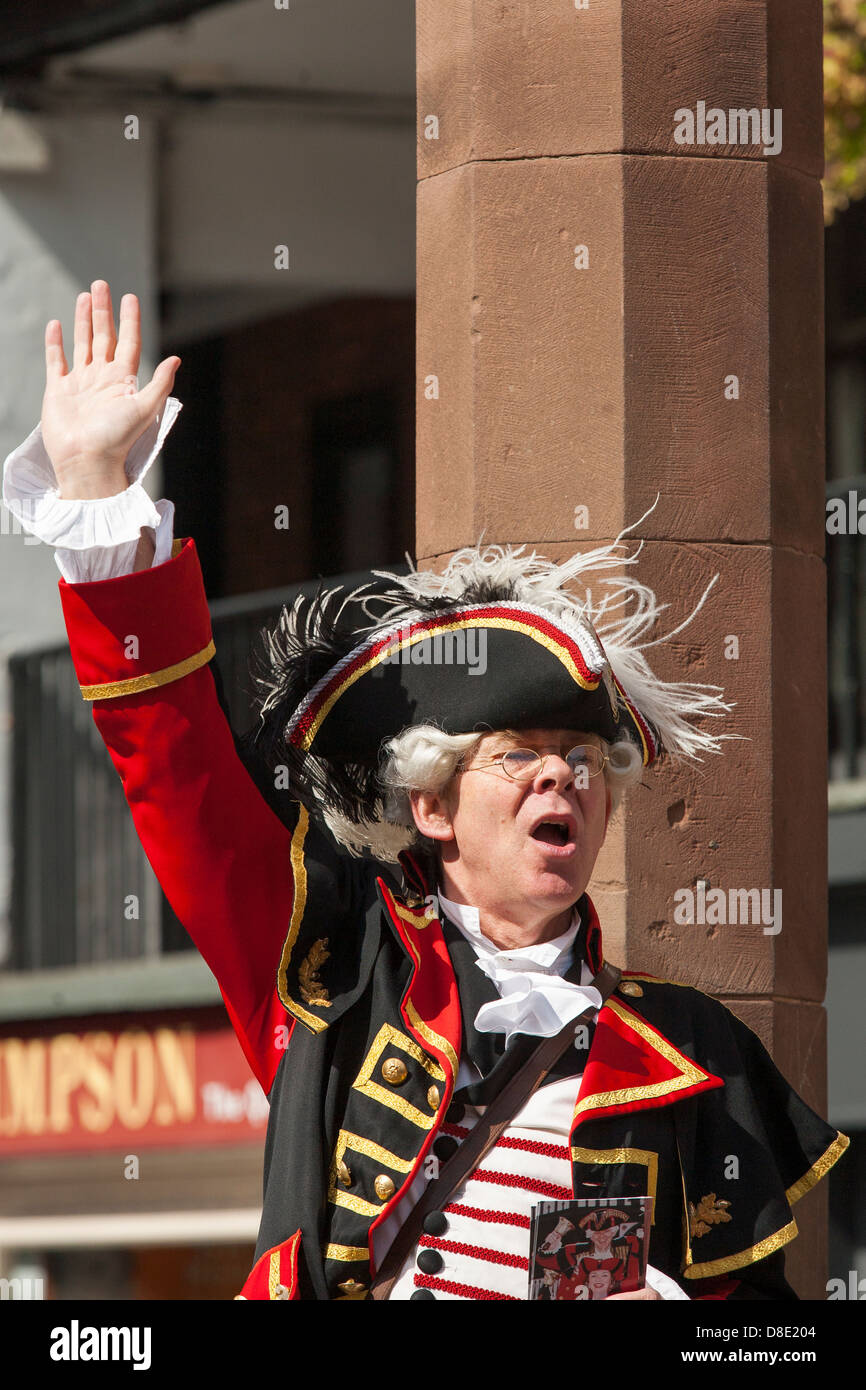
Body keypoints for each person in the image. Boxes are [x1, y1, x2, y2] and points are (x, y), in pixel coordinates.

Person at [3, 281, 849, 1302]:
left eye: (582, 761)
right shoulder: (333, 976)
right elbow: (177, 778)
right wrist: (97, 490)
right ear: (432, 807)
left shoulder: (688, 1052)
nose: (561, 777)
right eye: (518, 754)